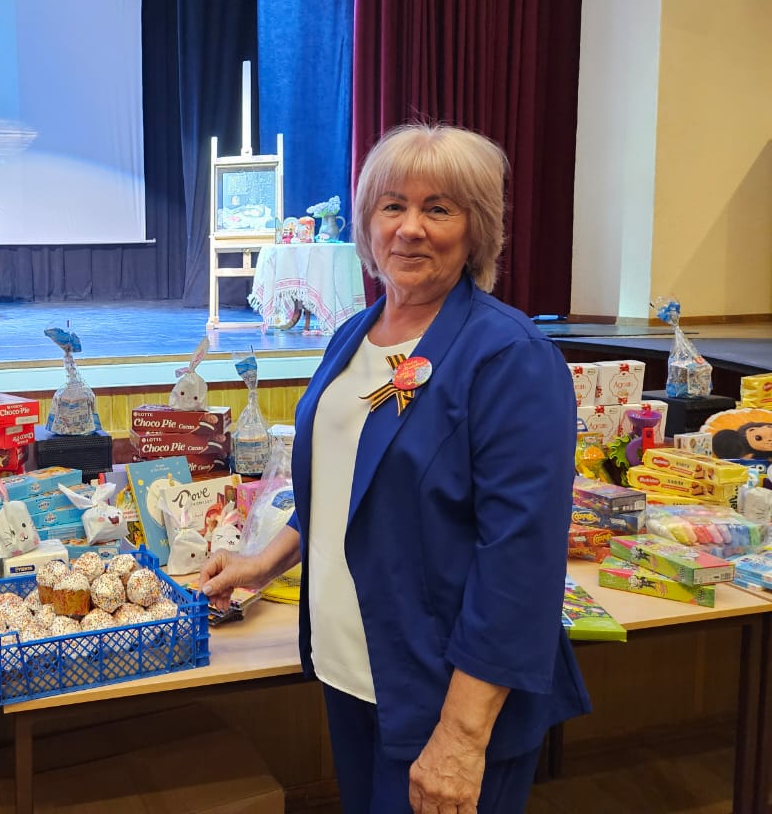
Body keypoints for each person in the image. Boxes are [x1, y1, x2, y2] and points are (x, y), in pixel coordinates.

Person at [200, 123, 589, 814]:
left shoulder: (510, 356)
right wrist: (264, 563)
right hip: (352, 670)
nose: (410, 228)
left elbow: (521, 563)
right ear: (367, 223)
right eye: (392, 206)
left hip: (447, 693)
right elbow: (346, 486)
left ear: (477, 229)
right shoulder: (356, 335)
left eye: (439, 208)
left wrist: (462, 737)